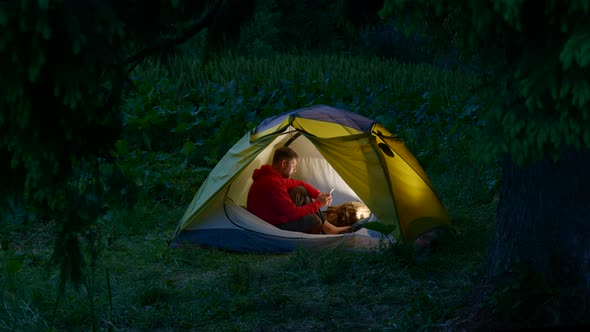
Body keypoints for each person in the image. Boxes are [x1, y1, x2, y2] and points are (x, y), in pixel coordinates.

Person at [247, 146, 351, 234]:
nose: (295, 170)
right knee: (313, 220)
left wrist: (318, 195)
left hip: (274, 217)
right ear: (284, 164)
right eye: (293, 166)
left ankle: (328, 229)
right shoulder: (272, 182)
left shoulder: (272, 176)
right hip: (271, 227)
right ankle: (318, 235)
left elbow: (300, 183)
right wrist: (319, 204)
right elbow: (292, 213)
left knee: (300, 190)